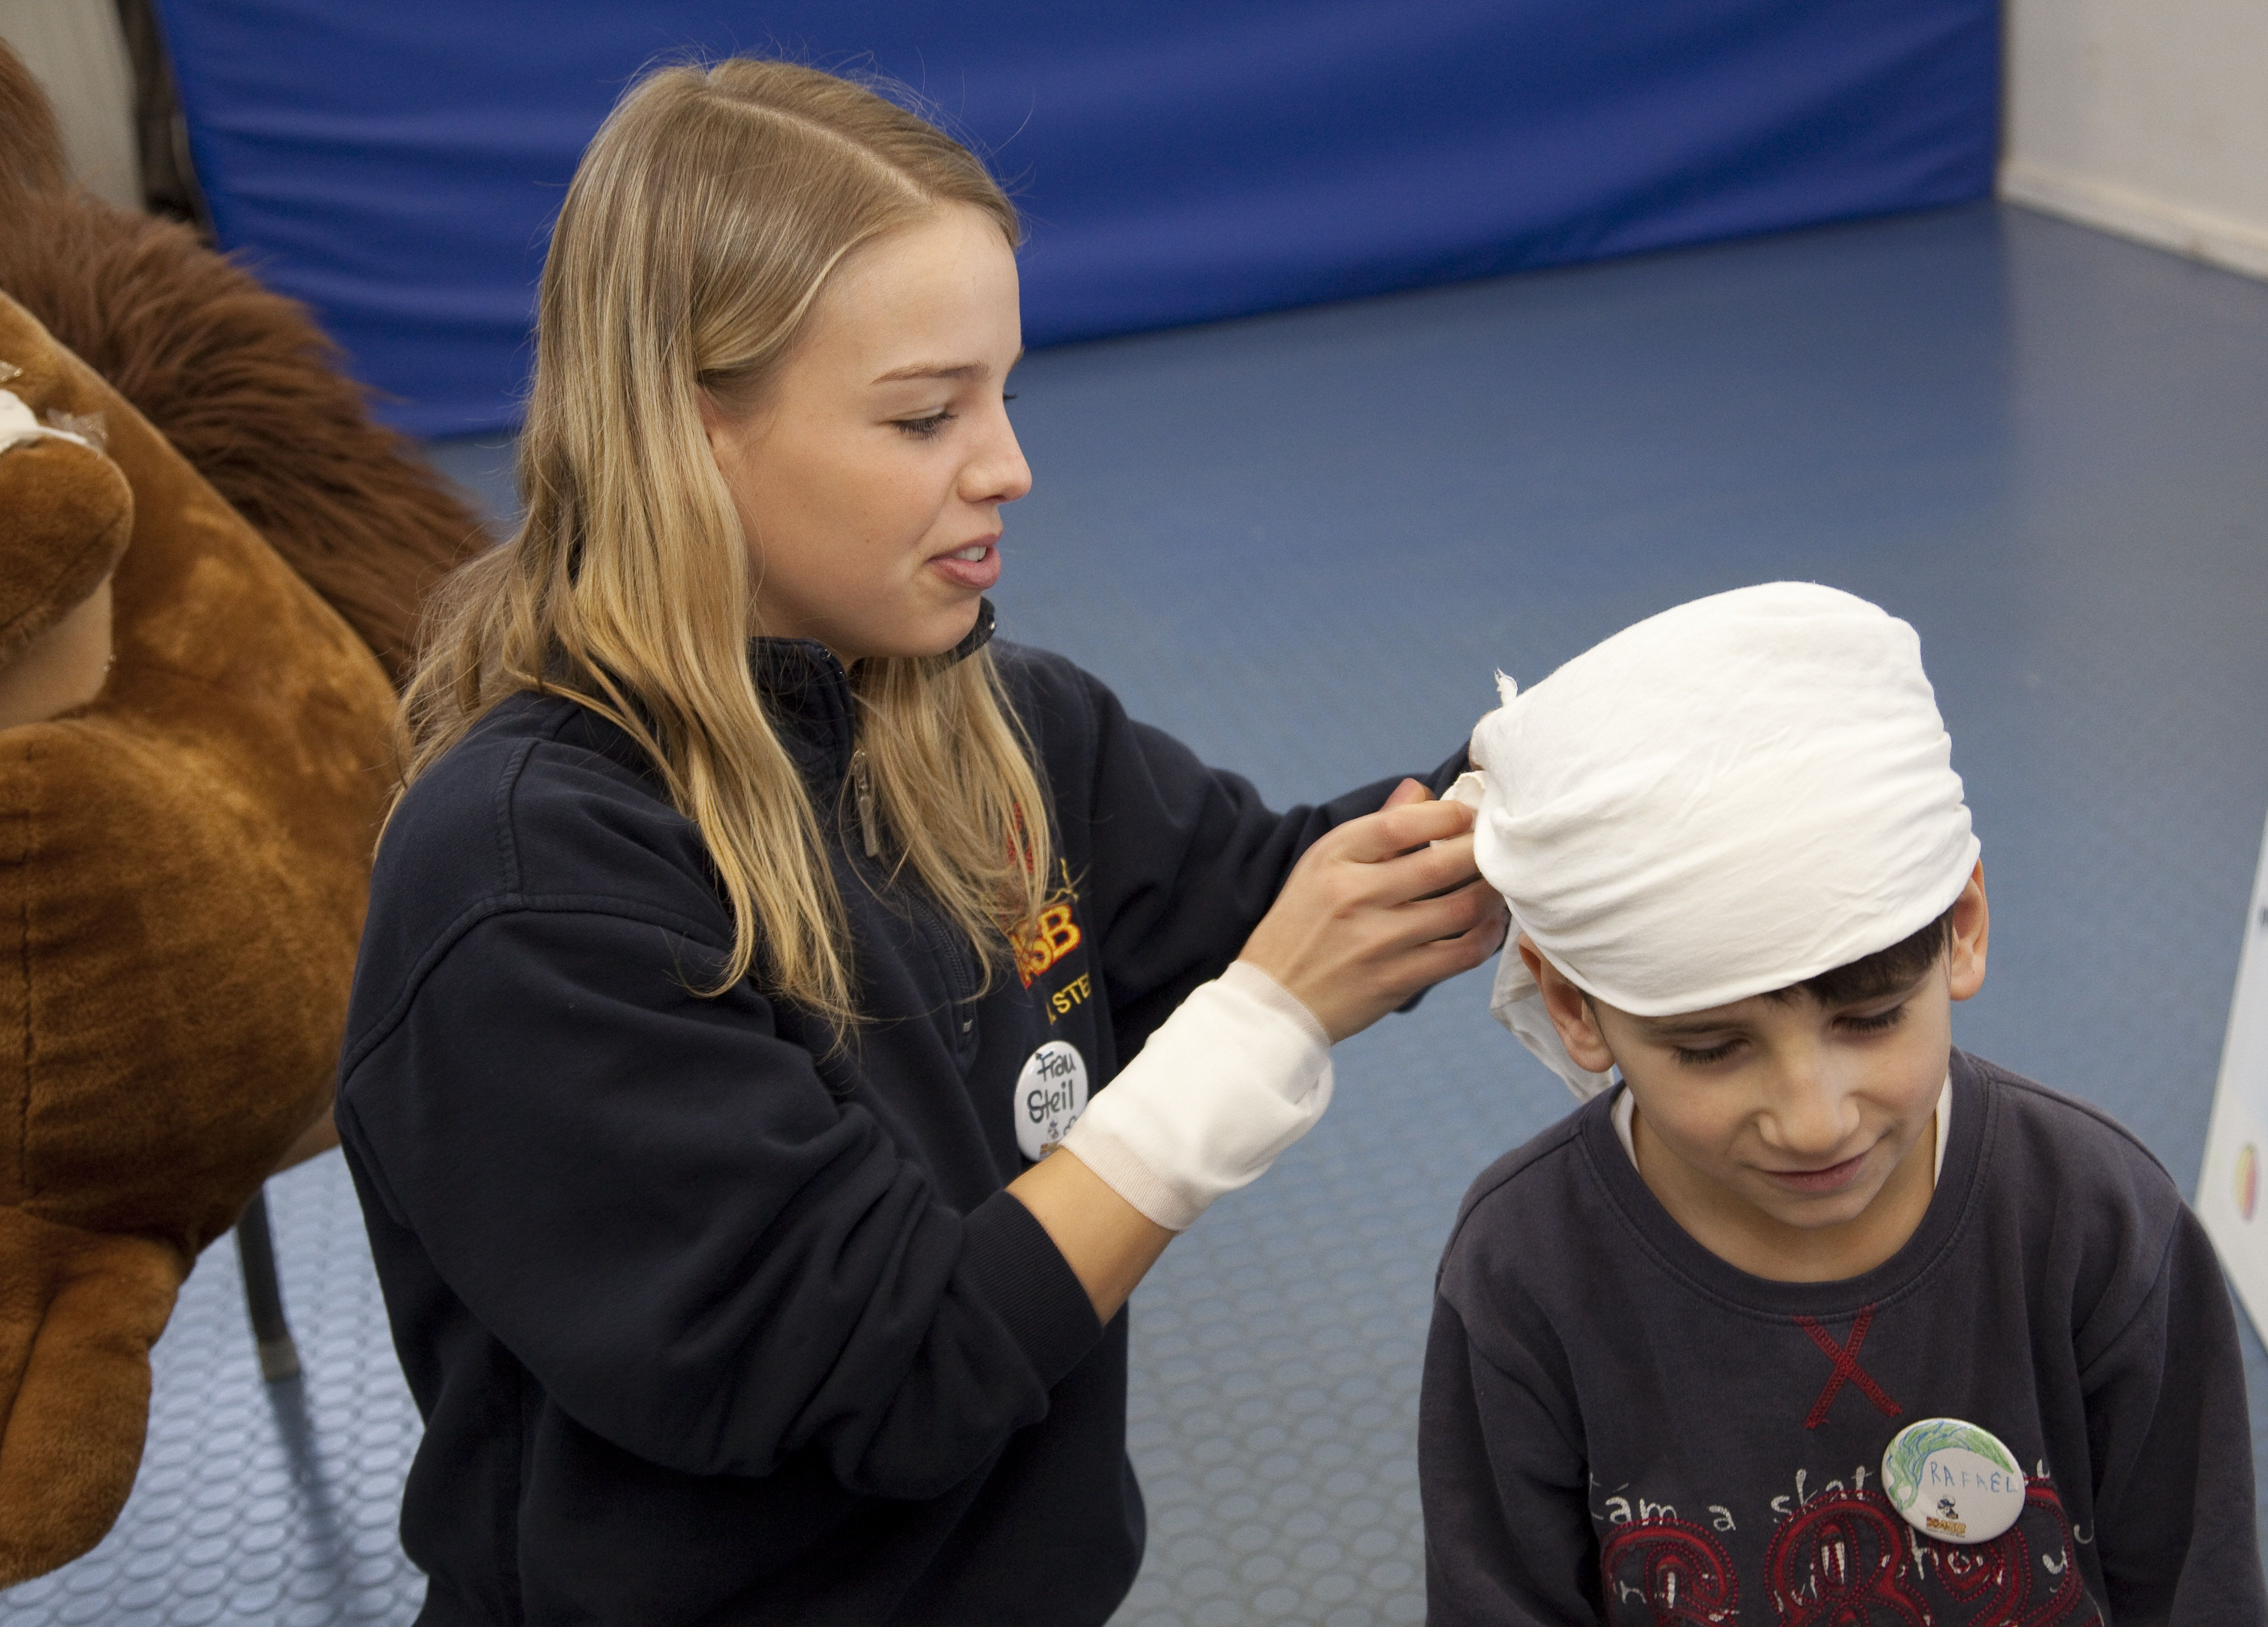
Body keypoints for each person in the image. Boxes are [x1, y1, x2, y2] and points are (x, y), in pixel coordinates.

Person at [335, 59, 1504, 1627]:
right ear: (690, 432)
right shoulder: (530, 884)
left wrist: (1567, 782)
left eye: (1002, 392)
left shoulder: (996, 720)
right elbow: (893, 1371)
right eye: (922, 413)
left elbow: (1273, 892)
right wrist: (1263, 1032)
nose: (1005, 463)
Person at [1417, 583, 2268, 1626]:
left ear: (1962, 926)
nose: (1814, 1121)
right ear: (1572, 1007)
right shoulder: (1526, 1273)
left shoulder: (2095, 1220)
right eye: (1712, 1050)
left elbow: (2195, 1587)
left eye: (1869, 1020)